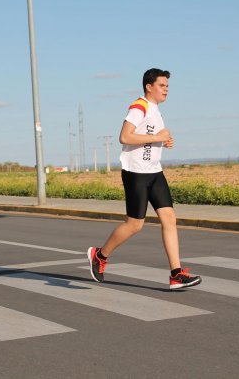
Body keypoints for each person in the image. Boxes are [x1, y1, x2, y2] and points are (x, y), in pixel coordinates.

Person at [87, 68, 202, 290]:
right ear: (149, 87)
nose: (166, 90)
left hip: (154, 171)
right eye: (162, 85)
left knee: (169, 218)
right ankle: (100, 256)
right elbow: (125, 136)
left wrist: (162, 142)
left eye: (168, 86)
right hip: (136, 173)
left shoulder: (156, 110)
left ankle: (176, 274)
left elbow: (148, 140)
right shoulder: (138, 106)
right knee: (134, 225)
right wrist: (157, 137)